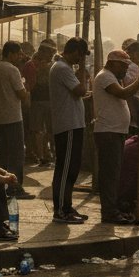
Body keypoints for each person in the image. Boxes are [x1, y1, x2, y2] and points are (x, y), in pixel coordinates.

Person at [93, 48, 139, 225]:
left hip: (115, 131)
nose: (125, 69)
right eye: (123, 66)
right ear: (114, 63)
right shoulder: (105, 76)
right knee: (110, 174)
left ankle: (113, 208)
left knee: (114, 173)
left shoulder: (112, 76)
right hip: (108, 132)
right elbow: (123, 93)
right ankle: (109, 211)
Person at [49, 37, 90, 223]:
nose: (80, 60)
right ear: (74, 52)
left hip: (73, 124)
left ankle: (66, 206)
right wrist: (82, 71)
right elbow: (80, 90)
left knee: (71, 169)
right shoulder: (62, 68)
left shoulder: (64, 68)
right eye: (80, 56)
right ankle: (60, 211)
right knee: (65, 169)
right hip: (68, 125)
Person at [0, 41, 32, 198]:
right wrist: (26, 87)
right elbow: (21, 94)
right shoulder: (11, 69)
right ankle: (15, 187)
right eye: (18, 53)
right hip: (12, 117)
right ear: (10, 54)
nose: (20, 57)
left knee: (1, 155)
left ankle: (0, 186)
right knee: (16, 154)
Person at [23, 43, 53, 167]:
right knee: (39, 131)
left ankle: (45, 154)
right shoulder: (32, 65)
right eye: (49, 53)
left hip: (46, 101)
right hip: (37, 101)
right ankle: (42, 156)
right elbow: (30, 85)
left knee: (44, 130)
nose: (51, 56)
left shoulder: (50, 66)